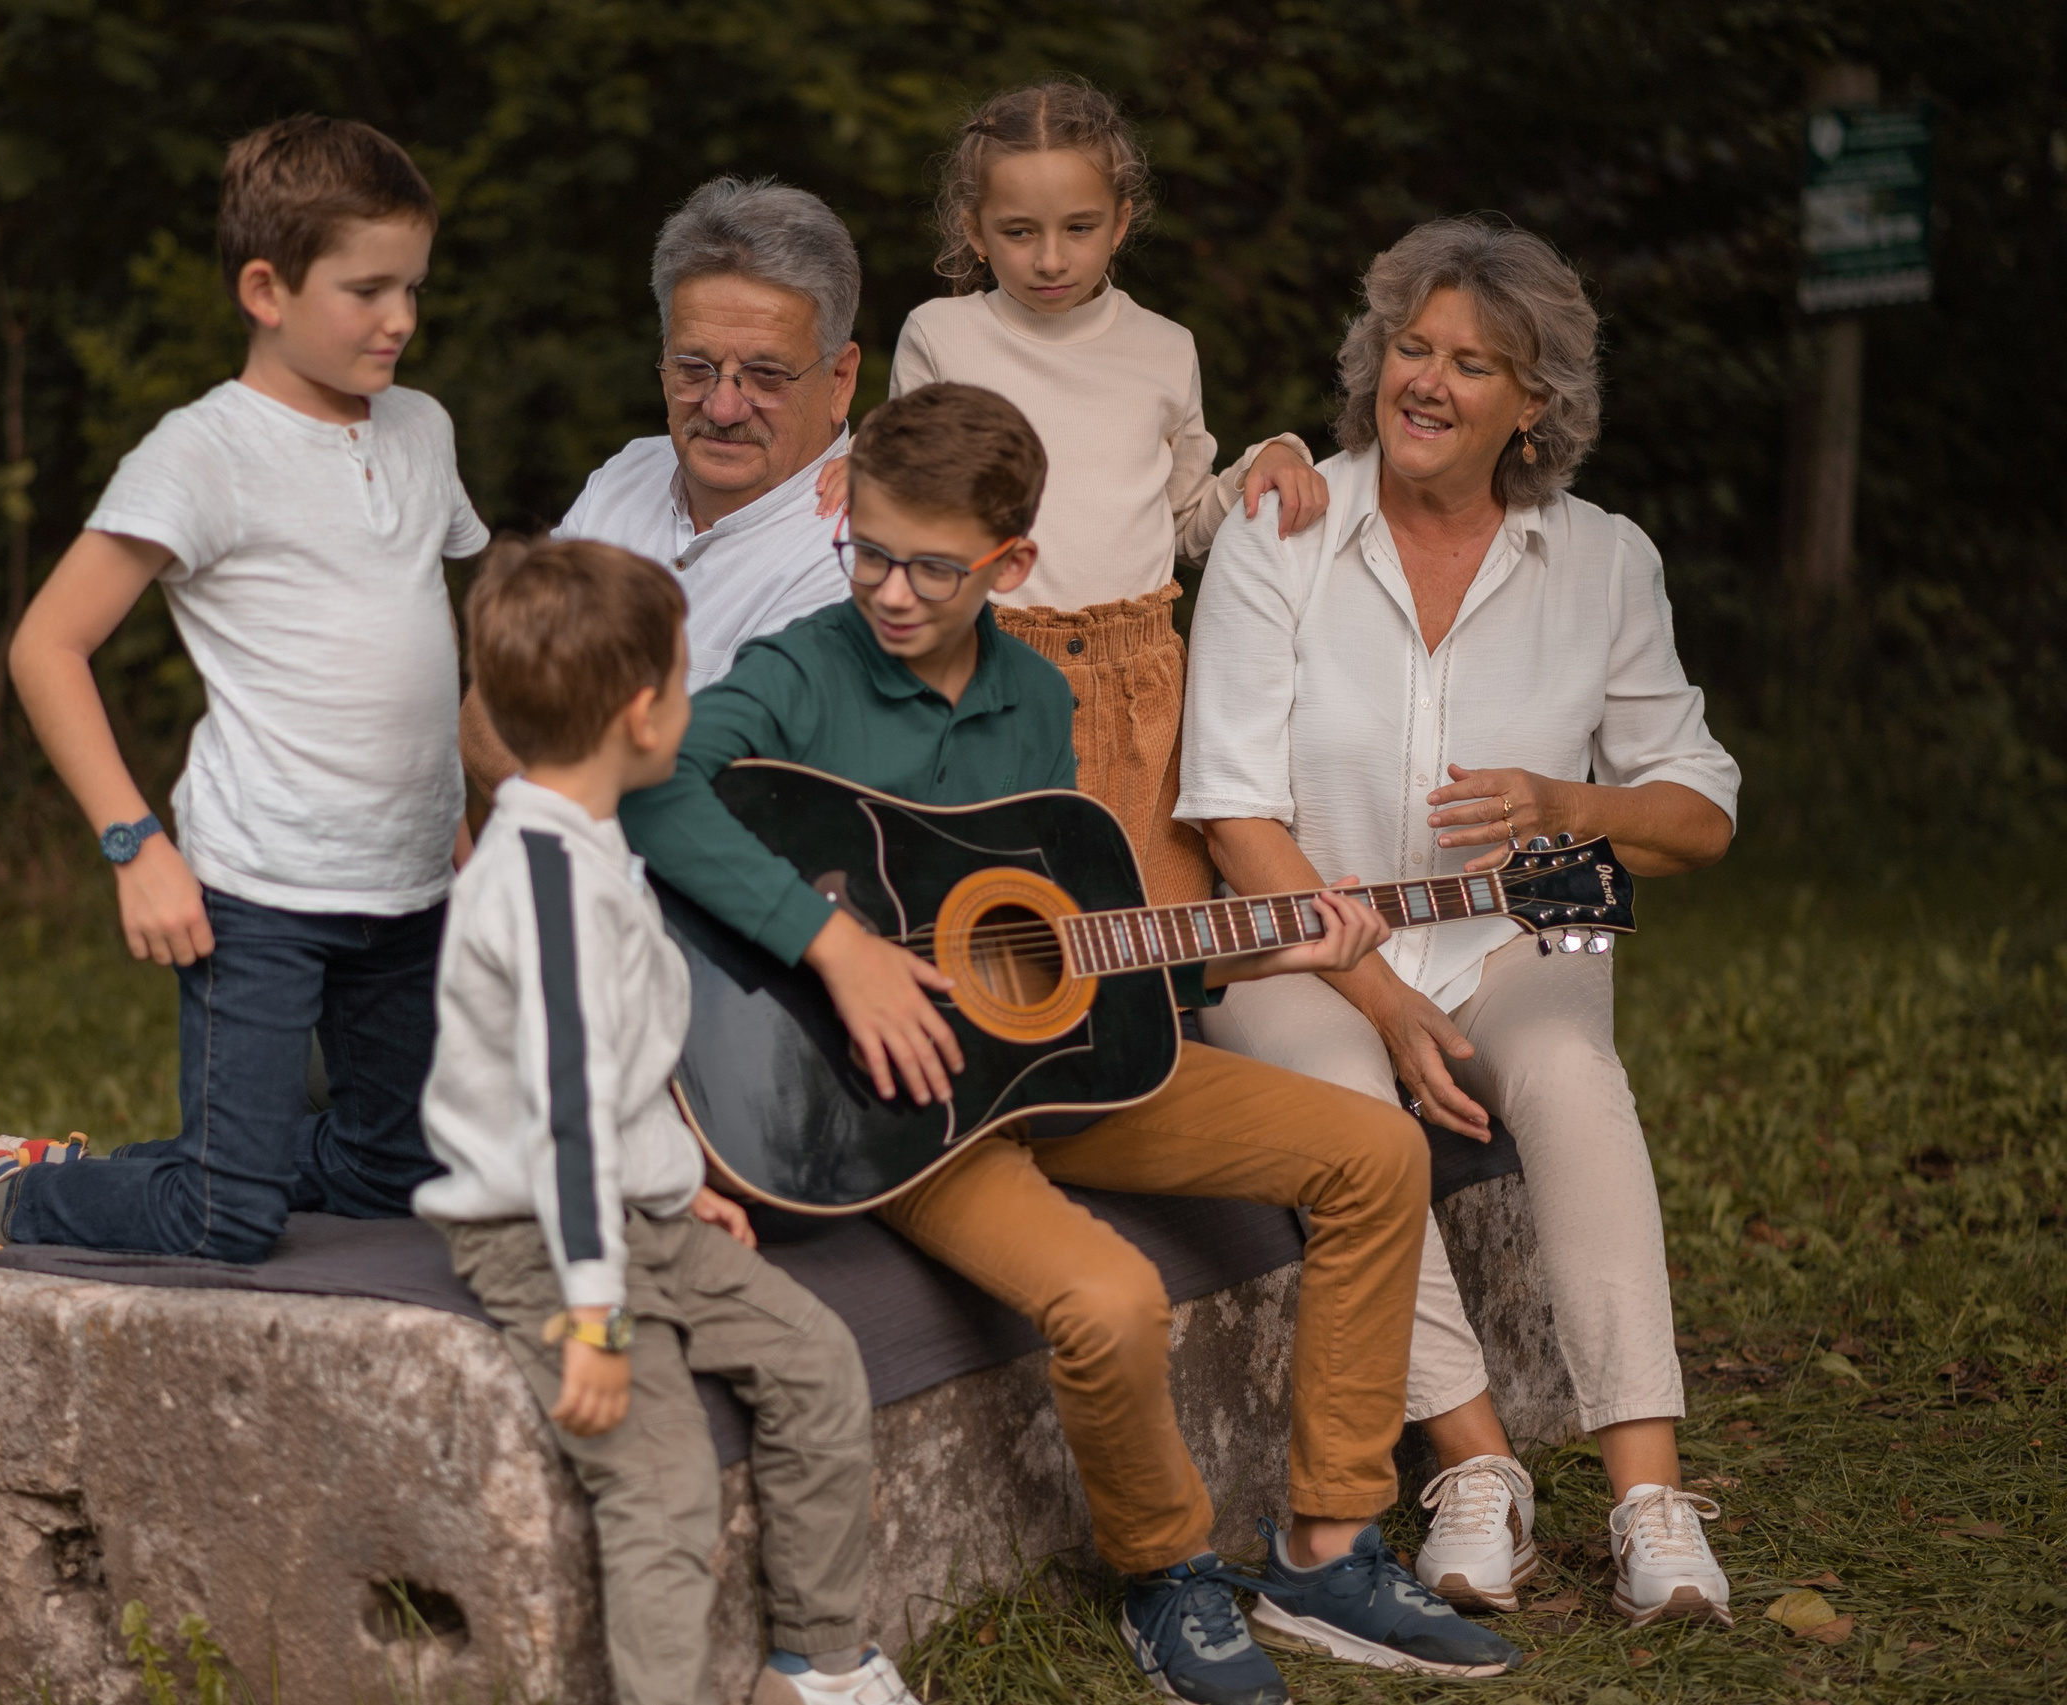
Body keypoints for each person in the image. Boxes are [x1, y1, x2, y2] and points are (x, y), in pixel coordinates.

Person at [624, 382, 1523, 1702]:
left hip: (1044, 1075)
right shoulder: (796, 674)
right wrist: (836, 950)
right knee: (1107, 1298)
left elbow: (1064, 943)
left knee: (1374, 1150)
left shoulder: (1036, 703)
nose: (889, 588)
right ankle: (1167, 1574)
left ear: (1013, 564)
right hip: (903, 1118)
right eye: (867, 549)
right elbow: (651, 797)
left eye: (934, 566)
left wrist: (1281, 943)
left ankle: (1327, 1544)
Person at [1179, 216, 1743, 1630]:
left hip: (1526, 914)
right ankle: (1478, 1465)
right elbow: (1233, 810)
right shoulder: (1284, 527)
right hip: (1297, 928)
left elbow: (1702, 812)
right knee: (1344, 1098)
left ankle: (1650, 1496)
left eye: (1471, 363)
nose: (1425, 382)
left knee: (1571, 1073)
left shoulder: (1607, 559)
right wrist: (1381, 997)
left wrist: (1569, 799)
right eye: (1410, 350)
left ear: (1533, 404)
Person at [0, 117, 488, 1262]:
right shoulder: (202, 454)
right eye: (368, 289)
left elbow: (419, 639)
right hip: (260, 892)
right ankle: (7, 1194)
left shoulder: (421, 429)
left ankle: (200, 1160)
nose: (401, 320)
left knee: (398, 1173)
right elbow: (46, 646)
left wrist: (462, 819)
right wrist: (136, 845)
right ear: (266, 288)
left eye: (414, 288)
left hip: (410, 887)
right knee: (229, 1219)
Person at [417, 538, 921, 1705]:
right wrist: (593, 1321)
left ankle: (822, 1663)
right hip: (543, 1235)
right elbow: (565, 1119)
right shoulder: (544, 885)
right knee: (663, 1482)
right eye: (688, 678)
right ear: (643, 714)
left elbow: (613, 1080)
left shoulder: (592, 843)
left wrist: (672, 1178)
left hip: (629, 1206)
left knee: (815, 1364)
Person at [811, 79, 1327, 929]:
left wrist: (1269, 459)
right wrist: (865, 463)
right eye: (1019, 232)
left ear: (1121, 221)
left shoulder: (1164, 350)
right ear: (975, 230)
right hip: (987, 675)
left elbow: (1185, 527)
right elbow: (915, 496)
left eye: (1079, 229)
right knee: (984, 929)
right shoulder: (942, 337)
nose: (1050, 259)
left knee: (1147, 943)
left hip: (1141, 691)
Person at [456, 176, 863, 798]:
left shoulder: (860, 551)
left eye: (765, 375)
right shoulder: (628, 473)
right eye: (694, 368)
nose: (724, 406)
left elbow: (733, 808)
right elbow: (491, 701)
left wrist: (543, 796)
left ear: (839, 379)